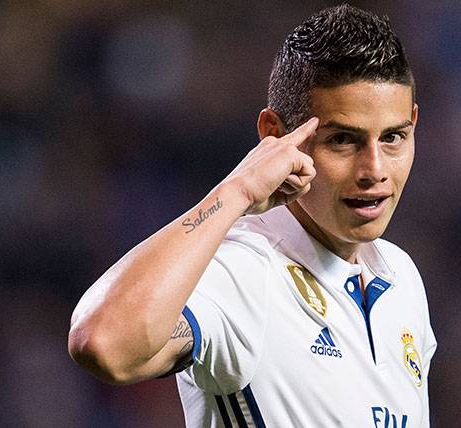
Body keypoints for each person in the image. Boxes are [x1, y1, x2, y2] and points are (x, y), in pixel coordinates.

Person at [68, 4, 436, 427]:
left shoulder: (401, 278)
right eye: (342, 140)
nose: (374, 170)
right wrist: (236, 191)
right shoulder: (245, 269)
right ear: (274, 136)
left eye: (393, 137)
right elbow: (101, 342)